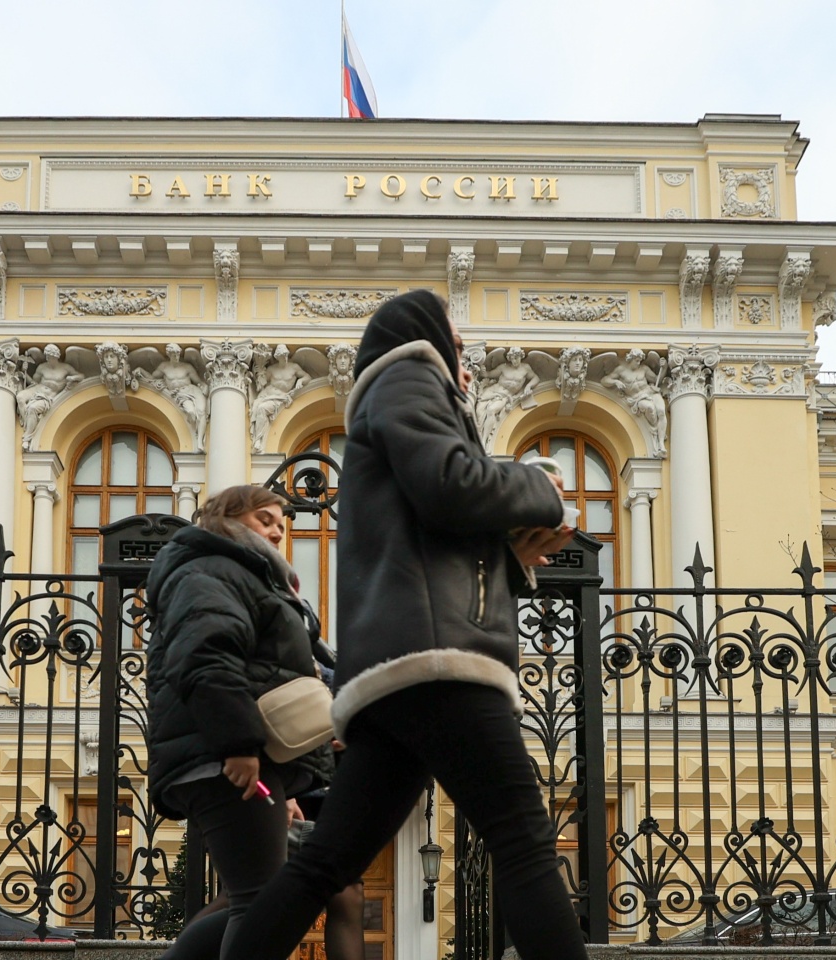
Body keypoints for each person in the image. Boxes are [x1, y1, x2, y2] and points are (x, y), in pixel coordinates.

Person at [221, 290, 586, 960]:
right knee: (524, 841)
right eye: (460, 345)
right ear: (426, 336)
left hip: (397, 674)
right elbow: (449, 482)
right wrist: (539, 488)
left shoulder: (400, 398)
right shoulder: (408, 375)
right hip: (437, 663)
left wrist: (512, 554)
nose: (468, 365)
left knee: (323, 864)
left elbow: (426, 542)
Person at [146, 485, 333, 960]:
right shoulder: (212, 568)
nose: (276, 529)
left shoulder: (244, 573)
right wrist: (240, 745)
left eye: (280, 523)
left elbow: (256, 670)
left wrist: (281, 787)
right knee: (259, 904)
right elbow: (206, 658)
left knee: (256, 901)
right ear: (225, 518)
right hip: (222, 756)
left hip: (241, 756)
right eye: (264, 518)